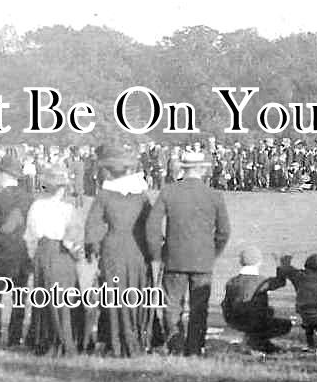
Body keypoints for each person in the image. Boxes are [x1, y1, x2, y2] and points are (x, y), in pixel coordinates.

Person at [145, 150, 231, 356]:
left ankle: (175, 345)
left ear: (183, 169)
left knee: (172, 305)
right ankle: (194, 348)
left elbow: (152, 226)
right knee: (199, 307)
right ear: (202, 170)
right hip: (203, 259)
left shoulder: (169, 192)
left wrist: (159, 252)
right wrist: (213, 252)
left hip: (174, 257)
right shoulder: (214, 195)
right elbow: (224, 232)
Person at [84, 147, 153, 357]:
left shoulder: (104, 195)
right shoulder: (140, 196)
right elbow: (150, 225)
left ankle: (113, 340)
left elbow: (92, 226)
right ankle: (135, 339)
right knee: (135, 293)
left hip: (113, 249)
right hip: (136, 250)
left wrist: (93, 248)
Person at [24, 166, 84, 356]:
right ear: (61, 188)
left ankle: (43, 339)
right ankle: (64, 340)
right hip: (61, 254)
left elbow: (30, 236)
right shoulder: (67, 209)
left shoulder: (36, 206)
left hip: (42, 252)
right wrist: (78, 254)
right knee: (64, 299)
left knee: (43, 296)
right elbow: (70, 241)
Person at [0, 156, 32, 348]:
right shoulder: (29, 198)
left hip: (1, 254)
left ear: (3, 174)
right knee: (19, 298)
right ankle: (14, 337)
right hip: (22, 253)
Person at [221, 246, 292, 353]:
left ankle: (255, 339)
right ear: (259, 262)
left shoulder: (232, 281)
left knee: (267, 311)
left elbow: (225, 303)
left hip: (234, 320)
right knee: (286, 325)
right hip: (255, 321)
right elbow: (281, 282)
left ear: (241, 262)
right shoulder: (261, 281)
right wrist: (280, 264)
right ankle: (256, 340)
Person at [273, 253, 317, 348]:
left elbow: (287, 270)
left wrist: (282, 262)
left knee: (309, 326)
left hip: (304, 312)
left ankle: (310, 344)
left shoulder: (299, 276)